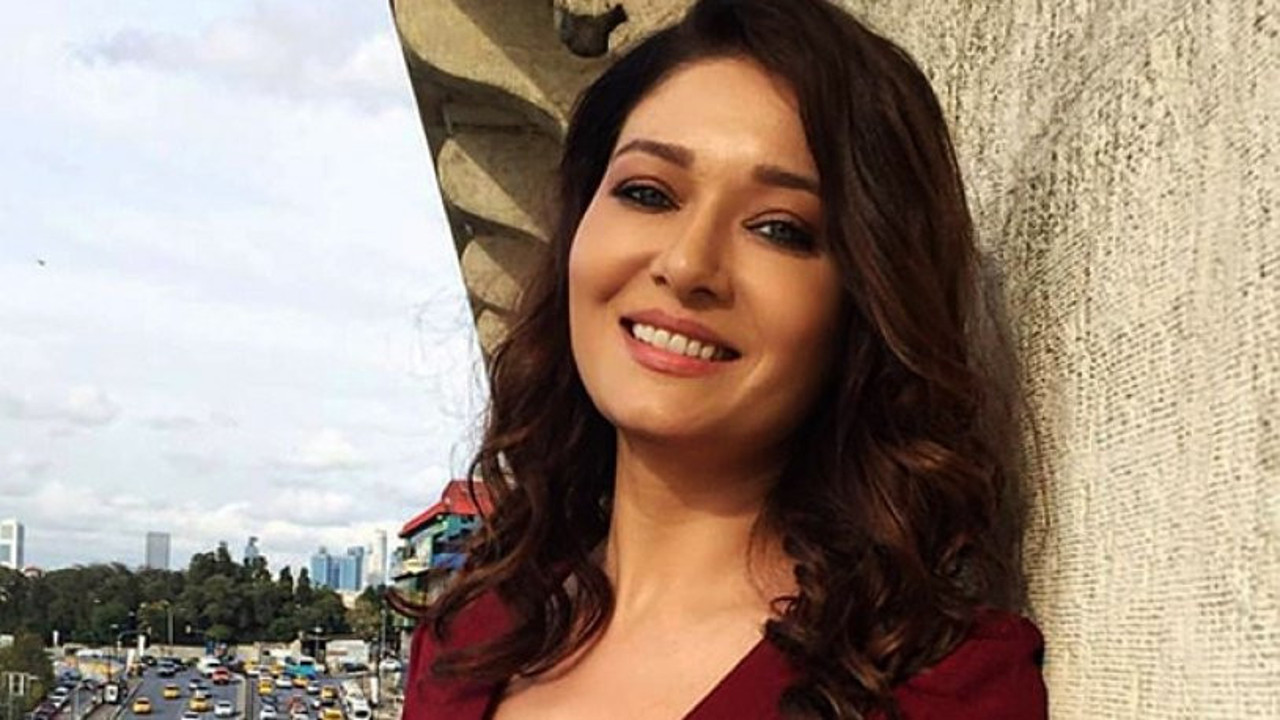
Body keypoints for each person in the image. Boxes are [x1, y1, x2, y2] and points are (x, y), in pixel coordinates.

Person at [401, 0, 1047, 717]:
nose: (687, 264)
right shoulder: (466, 641)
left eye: (779, 229)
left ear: (864, 305)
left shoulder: (938, 688)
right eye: (648, 193)